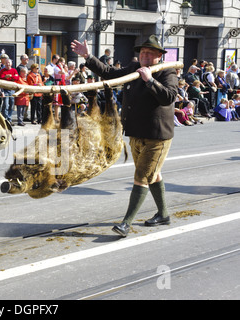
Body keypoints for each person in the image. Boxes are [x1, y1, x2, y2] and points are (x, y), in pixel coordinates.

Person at [72, 35, 178, 237]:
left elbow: (169, 97)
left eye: (149, 53)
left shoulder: (166, 71)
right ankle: (163, 214)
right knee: (152, 174)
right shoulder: (133, 68)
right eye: (142, 52)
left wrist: (149, 80)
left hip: (157, 135)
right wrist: (88, 56)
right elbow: (110, 73)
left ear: (158, 56)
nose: (144, 56)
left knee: (141, 177)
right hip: (136, 132)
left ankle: (126, 223)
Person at [0, 58, 19, 125]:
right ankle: (5, 119)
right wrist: (6, 77)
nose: (8, 64)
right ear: (5, 64)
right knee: (5, 105)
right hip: (5, 90)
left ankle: (9, 119)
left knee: (11, 105)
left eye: (9, 63)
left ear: (11, 64)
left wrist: (10, 76)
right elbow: (1, 78)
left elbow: (17, 78)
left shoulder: (14, 70)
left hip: (12, 90)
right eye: (7, 63)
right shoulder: (2, 70)